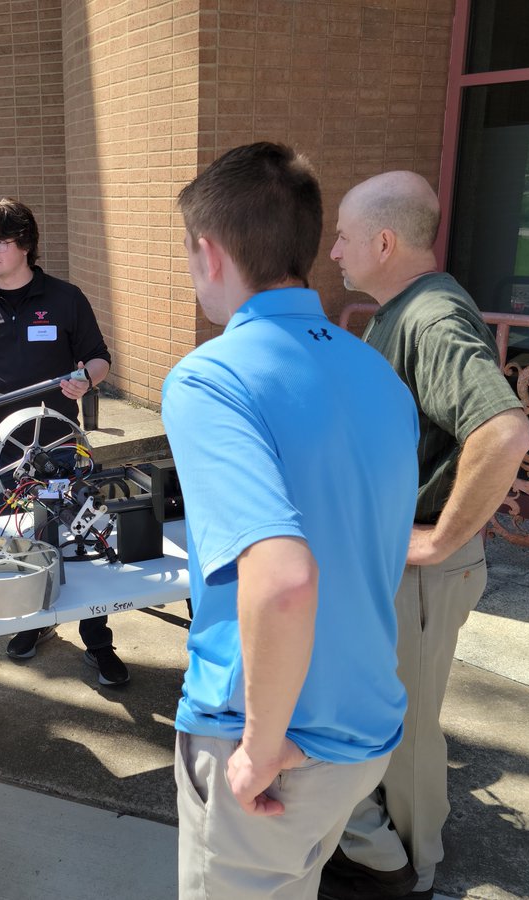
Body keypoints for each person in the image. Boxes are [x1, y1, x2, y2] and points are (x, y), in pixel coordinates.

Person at [163, 142, 420, 898]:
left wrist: (260, 746)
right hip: (367, 722)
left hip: (271, 733)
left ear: (209, 253)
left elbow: (281, 579)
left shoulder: (210, 378)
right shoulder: (376, 371)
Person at [323, 171, 529, 900]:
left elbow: (504, 430)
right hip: (395, 561)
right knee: (387, 713)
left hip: (417, 566)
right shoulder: (403, 310)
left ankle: (411, 873)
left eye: (344, 236)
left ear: (384, 240)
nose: (334, 252)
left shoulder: (431, 317)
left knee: (405, 730)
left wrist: (439, 540)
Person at [0, 198, 129, 687]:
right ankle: (34, 625)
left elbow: (98, 357)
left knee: (80, 538)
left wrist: (86, 379)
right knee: (16, 543)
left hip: (57, 448)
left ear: (25, 243)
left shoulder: (65, 298)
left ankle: (98, 640)